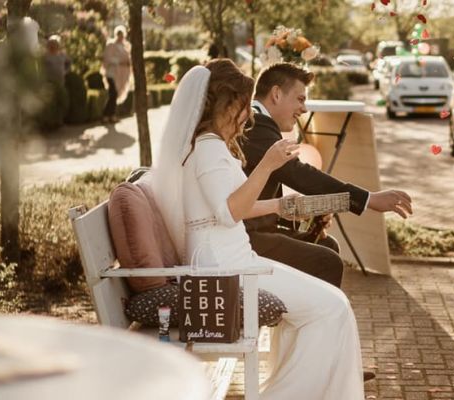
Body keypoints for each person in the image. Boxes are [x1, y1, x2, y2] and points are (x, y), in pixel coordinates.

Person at [148, 59, 367, 399]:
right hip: (224, 269)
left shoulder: (211, 147)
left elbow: (234, 205)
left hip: (234, 259)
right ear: (225, 104)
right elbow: (229, 211)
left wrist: (280, 206)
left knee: (327, 306)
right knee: (331, 308)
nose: (247, 117)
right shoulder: (207, 149)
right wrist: (267, 165)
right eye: (241, 107)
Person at [242, 62, 413, 287]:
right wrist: (369, 199)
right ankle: (315, 319)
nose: (304, 109)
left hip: (256, 228)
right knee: (327, 261)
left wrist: (314, 214)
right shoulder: (257, 124)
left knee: (327, 246)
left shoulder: (258, 121)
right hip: (246, 237)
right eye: (300, 99)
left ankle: (304, 317)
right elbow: (299, 175)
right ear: (276, 94)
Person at [101, 26, 131, 124]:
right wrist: (119, 62)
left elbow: (128, 59)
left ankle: (111, 115)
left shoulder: (125, 46)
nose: (120, 37)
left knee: (114, 94)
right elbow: (108, 59)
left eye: (122, 35)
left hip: (121, 75)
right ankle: (106, 115)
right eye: (119, 34)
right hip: (111, 73)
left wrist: (126, 63)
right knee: (112, 93)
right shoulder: (111, 45)